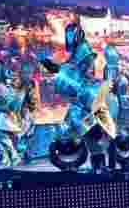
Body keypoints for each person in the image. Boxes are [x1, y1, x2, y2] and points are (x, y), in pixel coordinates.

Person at [48, 22, 116, 173]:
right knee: (88, 132)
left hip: (87, 94)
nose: (69, 37)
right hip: (82, 95)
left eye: (71, 34)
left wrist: (65, 72)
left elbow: (83, 70)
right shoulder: (77, 51)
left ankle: (102, 165)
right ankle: (99, 165)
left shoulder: (83, 49)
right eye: (67, 35)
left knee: (93, 130)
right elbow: (72, 69)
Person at [0, 56, 37, 167]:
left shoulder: (25, 83)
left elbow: (29, 101)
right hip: (3, 112)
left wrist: (29, 109)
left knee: (23, 134)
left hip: (18, 113)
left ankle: (18, 155)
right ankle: (9, 155)